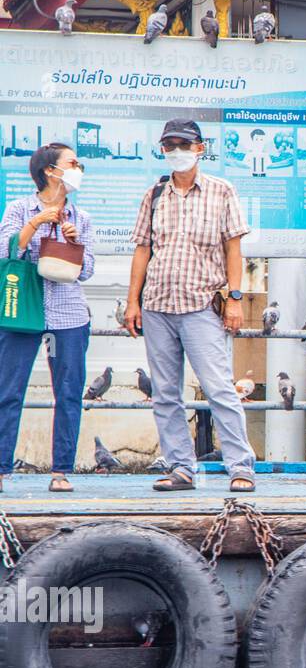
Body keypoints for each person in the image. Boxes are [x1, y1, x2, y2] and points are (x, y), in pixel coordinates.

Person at [123, 118, 258, 492]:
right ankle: (181, 468)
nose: (177, 152)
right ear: (163, 150)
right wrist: (132, 301)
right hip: (158, 305)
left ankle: (240, 467)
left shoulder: (221, 190)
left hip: (201, 305)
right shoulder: (154, 195)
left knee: (218, 388)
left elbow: (234, 248)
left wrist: (234, 298)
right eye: (170, 146)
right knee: (165, 393)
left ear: (201, 148)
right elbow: (142, 250)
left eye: (185, 144)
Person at [0, 143, 94, 493]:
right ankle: (1, 468)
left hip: (68, 315)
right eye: (72, 163)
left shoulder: (81, 217)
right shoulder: (19, 208)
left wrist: (73, 241)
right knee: (9, 390)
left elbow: (87, 271)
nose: (77, 169)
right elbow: (5, 250)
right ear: (49, 171)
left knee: (68, 392)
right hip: (23, 312)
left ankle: (61, 471)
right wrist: (37, 221)